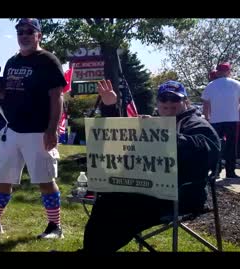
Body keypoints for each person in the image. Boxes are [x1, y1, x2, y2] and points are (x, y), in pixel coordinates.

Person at [81, 80, 221, 252]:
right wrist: (110, 107)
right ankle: (92, 250)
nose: (169, 103)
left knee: (123, 207)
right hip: (148, 190)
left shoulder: (197, 125)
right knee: (107, 199)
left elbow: (204, 153)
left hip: (183, 194)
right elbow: (116, 138)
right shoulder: (152, 123)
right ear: (158, 103)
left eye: (175, 99)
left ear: (186, 101)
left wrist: (164, 134)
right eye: (164, 99)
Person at [0, 18, 67, 239]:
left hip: (38, 131)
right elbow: (5, 93)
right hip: (11, 130)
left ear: (38, 35)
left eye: (29, 31)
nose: (24, 35)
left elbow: (56, 96)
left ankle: (55, 227)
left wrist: (52, 129)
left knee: (45, 179)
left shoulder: (48, 61)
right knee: (1, 178)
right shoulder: (12, 62)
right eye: (20, 31)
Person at [202, 62, 240, 178]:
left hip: (215, 121)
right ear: (228, 72)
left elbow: (206, 104)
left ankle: (215, 171)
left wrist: (206, 118)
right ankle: (230, 172)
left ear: (217, 72)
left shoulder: (211, 85)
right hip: (232, 119)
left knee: (215, 146)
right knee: (231, 146)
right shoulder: (237, 84)